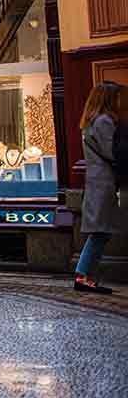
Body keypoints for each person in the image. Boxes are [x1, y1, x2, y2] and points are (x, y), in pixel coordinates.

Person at [74, 82, 125, 294]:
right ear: (108, 99)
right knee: (100, 233)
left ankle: (84, 275)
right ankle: (83, 276)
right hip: (104, 183)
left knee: (100, 232)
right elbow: (112, 152)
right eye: (117, 97)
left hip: (96, 181)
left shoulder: (89, 123)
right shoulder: (104, 121)